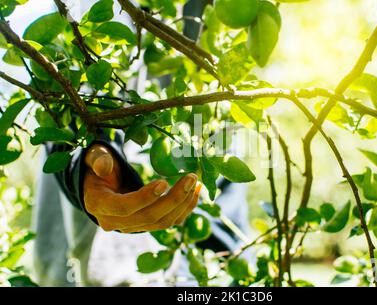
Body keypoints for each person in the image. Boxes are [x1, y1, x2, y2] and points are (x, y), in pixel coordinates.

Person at [32, 0, 250, 287]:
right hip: (72, 267)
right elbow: (65, 97)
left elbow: (217, 188)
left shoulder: (218, 20)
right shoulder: (94, 12)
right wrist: (84, 163)